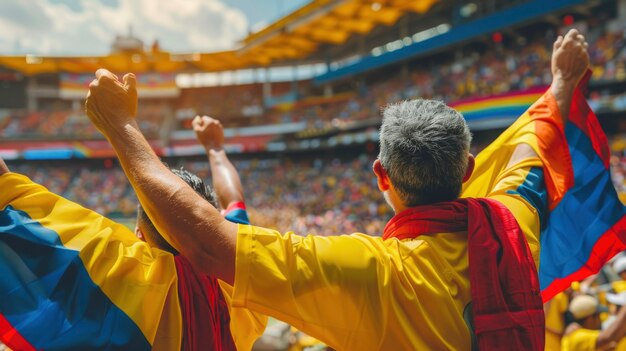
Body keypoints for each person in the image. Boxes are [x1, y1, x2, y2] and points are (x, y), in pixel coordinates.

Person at [84, 29, 618, 350]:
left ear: (380, 174)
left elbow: (208, 244)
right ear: (469, 166)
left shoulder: (372, 275)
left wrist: (120, 126)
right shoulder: (513, 221)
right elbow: (533, 151)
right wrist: (561, 85)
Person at [0, 117, 265, 350]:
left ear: (139, 235)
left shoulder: (118, 274)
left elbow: (10, 203)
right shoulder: (240, 269)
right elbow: (234, 201)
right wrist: (215, 148)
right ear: (213, 223)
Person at [561, 294, 626, 350]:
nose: (600, 320)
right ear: (590, 318)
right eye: (598, 316)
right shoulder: (578, 337)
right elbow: (608, 337)